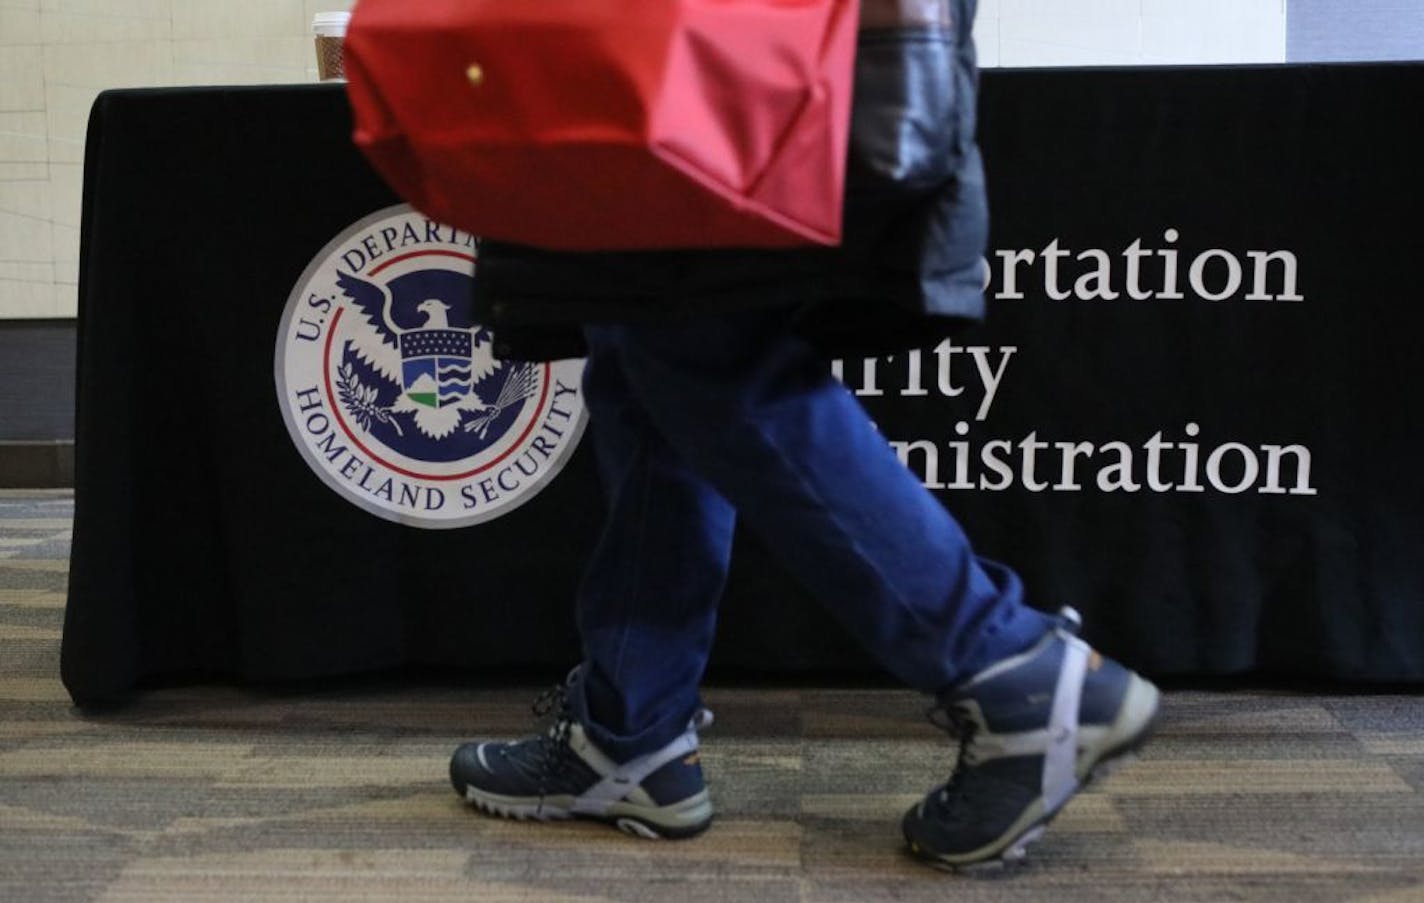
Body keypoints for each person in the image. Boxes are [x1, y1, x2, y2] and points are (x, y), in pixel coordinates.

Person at [448, 0, 1159, 871]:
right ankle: (629, 730)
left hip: (708, 47)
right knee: (646, 355)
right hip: (691, 48)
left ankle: (1011, 669)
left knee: (707, 352)